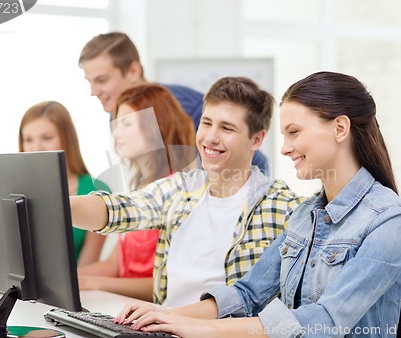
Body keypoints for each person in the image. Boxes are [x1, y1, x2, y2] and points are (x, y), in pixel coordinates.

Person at [114, 71, 401, 338]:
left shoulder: (389, 219)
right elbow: (246, 294)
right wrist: (168, 316)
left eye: (294, 133)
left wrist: (198, 329)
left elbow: (325, 321)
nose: (285, 149)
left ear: (340, 128)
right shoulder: (307, 215)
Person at [69, 76, 303, 307]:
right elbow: (118, 209)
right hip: (162, 327)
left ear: (256, 139)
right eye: (207, 123)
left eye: (227, 128)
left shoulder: (281, 207)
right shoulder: (180, 190)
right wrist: (57, 206)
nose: (211, 137)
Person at [78, 31, 270, 175]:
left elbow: (256, 161)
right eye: (90, 82)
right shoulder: (115, 115)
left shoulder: (183, 107)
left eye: (102, 80)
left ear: (133, 71)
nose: (94, 92)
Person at [77, 83, 196, 301]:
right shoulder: (139, 190)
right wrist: (70, 278)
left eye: (127, 124)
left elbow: (169, 284)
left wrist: (93, 283)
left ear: (156, 126)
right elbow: (115, 265)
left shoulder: (182, 192)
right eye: (116, 124)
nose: (117, 133)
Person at [0, 101, 109, 275]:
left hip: (70, 296)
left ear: (67, 139)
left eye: (46, 138)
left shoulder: (96, 190)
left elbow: (85, 270)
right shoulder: (6, 187)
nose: (36, 148)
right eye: (28, 139)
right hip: (15, 293)